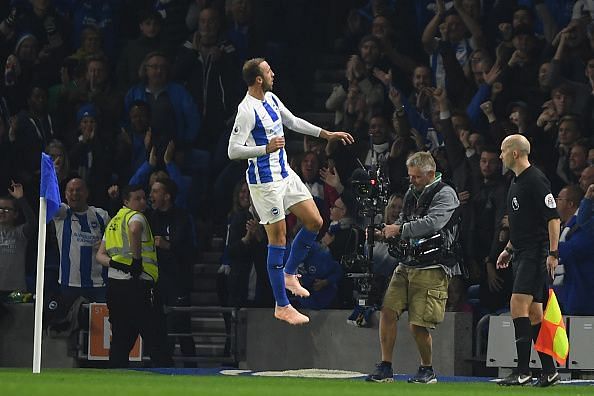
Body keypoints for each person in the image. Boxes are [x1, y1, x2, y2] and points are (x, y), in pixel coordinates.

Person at [227, 57, 354, 325]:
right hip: (265, 182)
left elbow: (294, 121)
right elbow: (233, 150)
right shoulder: (246, 110)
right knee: (278, 239)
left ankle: (289, 273)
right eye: (268, 70)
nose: (274, 72)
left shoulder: (271, 100)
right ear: (259, 78)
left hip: (285, 174)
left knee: (315, 221)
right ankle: (281, 305)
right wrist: (265, 148)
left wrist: (327, 134)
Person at [366, 151, 460, 384]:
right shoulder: (411, 192)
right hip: (407, 263)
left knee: (418, 323)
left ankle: (427, 369)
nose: (412, 181)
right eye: (410, 176)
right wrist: (385, 233)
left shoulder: (446, 194)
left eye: (416, 177)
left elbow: (433, 223)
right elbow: (403, 220)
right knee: (388, 311)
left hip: (433, 265)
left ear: (430, 174)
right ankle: (386, 366)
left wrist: (400, 230)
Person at [496, 134, 561, 387]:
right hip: (522, 251)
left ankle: (522, 371)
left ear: (514, 153)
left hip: (535, 253)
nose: (500, 155)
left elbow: (552, 218)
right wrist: (509, 249)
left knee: (517, 304)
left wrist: (553, 253)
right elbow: (526, 224)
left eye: (502, 151)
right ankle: (549, 371)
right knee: (534, 313)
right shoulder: (516, 183)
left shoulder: (535, 179)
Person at [95, 184, 171, 368]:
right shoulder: (136, 216)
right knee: (155, 338)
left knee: (121, 340)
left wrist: (116, 264)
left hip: (115, 287)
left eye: (144, 198)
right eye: (138, 198)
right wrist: (136, 262)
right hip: (137, 286)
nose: (143, 201)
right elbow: (135, 229)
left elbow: (100, 255)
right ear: (126, 201)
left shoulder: (113, 222)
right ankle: (169, 377)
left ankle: (115, 377)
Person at [53, 178, 110, 302]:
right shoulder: (62, 213)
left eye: (78, 190)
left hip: (98, 283)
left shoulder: (101, 215)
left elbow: (116, 242)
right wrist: (52, 174)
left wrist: (107, 245)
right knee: (69, 321)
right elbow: (50, 202)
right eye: (71, 190)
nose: (74, 194)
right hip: (69, 283)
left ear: (87, 193)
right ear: (65, 194)